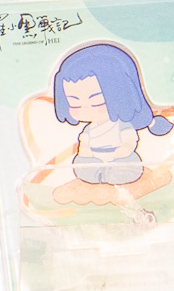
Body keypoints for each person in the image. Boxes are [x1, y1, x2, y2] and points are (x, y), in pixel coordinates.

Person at [53, 42, 173, 185]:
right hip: (95, 158)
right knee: (82, 164)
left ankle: (113, 174)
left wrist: (125, 149)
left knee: (128, 165)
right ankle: (96, 174)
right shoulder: (89, 129)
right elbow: (84, 141)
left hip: (119, 157)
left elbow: (129, 140)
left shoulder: (121, 125)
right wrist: (84, 151)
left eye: (96, 102)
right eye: (75, 104)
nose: (85, 109)